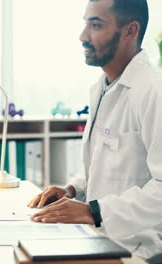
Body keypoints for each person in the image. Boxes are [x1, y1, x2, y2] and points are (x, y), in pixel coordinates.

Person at [28, 0, 162, 259]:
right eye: (85, 24)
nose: (83, 36)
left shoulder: (153, 91)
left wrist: (94, 211)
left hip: (141, 250)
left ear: (130, 31)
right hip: (99, 238)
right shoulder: (102, 87)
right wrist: (71, 191)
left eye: (96, 25)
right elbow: (103, 167)